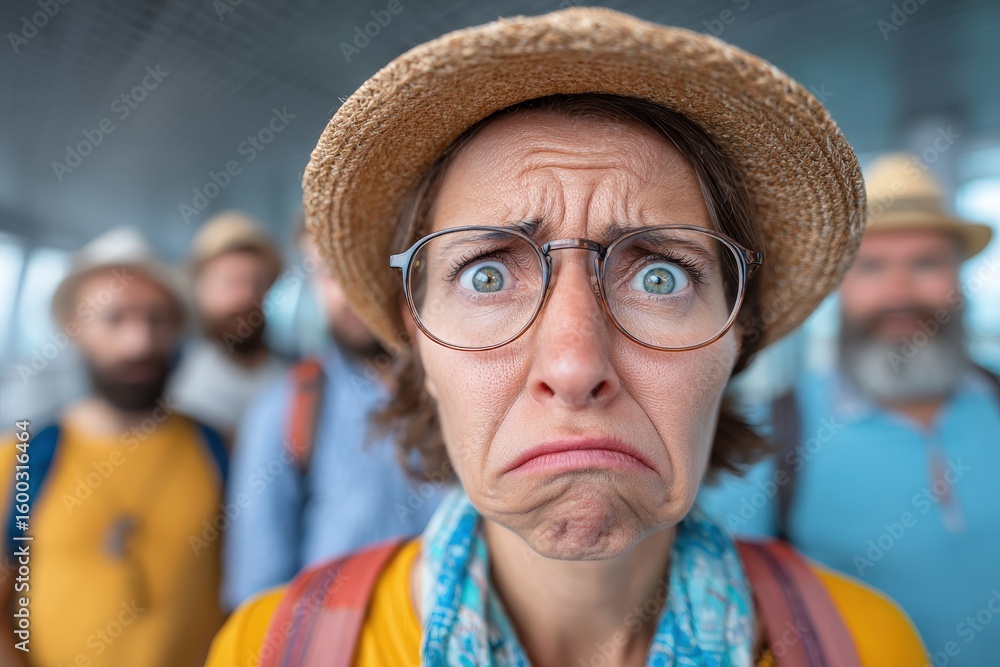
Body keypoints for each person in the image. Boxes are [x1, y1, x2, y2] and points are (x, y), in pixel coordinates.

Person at [206, 9, 926, 666]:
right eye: (487, 275)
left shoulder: (863, 644)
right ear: (416, 341)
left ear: (738, 336)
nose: (575, 364)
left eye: (660, 278)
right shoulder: (273, 647)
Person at [699, 153, 999, 666]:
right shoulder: (775, 431)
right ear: (840, 286)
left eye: (926, 264)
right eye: (873, 267)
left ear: (960, 277)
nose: (899, 289)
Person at [0, 228, 228, 667]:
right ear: (74, 328)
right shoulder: (23, 457)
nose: (138, 342)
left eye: (157, 319)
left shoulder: (219, 448)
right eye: (114, 318)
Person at [221, 224, 445, 610]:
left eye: (365, 266)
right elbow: (257, 593)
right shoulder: (285, 409)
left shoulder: (474, 388)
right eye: (328, 273)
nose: (349, 293)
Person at [169, 210, 288, 439]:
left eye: (257, 283)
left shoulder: (297, 377)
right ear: (199, 289)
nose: (245, 296)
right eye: (229, 283)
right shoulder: (169, 375)